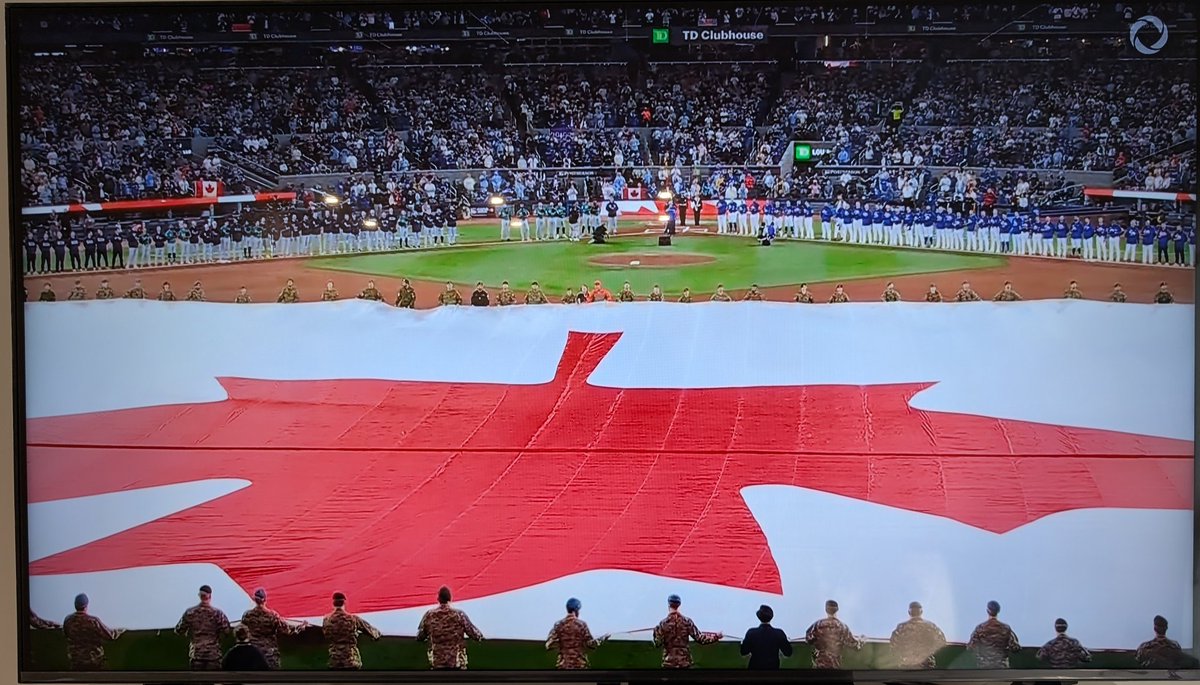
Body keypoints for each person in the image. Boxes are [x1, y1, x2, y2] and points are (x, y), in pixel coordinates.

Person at [417, 586, 484, 670]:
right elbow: (475, 635)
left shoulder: (429, 615)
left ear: (438, 599)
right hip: (456, 664)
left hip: (437, 664)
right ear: (450, 598)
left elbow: (420, 636)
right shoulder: (459, 615)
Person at [240, 587, 305, 669]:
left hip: (253, 653)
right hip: (269, 655)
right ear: (265, 600)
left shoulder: (247, 615)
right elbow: (287, 630)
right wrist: (301, 626)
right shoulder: (273, 615)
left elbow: (241, 631)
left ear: (254, 600)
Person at [652, 594, 722, 669]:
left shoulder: (663, 624)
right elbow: (700, 638)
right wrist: (716, 636)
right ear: (679, 605)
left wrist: (656, 632)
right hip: (684, 663)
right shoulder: (687, 621)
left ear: (669, 605)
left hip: (669, 664)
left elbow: (657, 643)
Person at [174, 584, 231, 670]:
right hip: (213, 655)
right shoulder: (218, 614)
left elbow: (179, 630)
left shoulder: (190, 612)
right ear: (210, 596)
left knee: (197, 678)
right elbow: (227, 631)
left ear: (199, 596)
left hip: (196, 655)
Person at [62, 593, 122, 670]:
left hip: (75, 662)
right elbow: (110, 636)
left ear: (75, 605)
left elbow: (65, 634)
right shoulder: (93, 621)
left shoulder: (68, 620)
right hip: (94, 662)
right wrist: (121, 630)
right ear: (86, 606)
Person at [322, 592, 381, 670]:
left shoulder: (326, 620)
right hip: (351, 660)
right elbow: (373, 632)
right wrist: (377, 635)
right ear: (344, 603)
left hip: (334, 660)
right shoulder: (353, 619)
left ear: (333, 604)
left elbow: (325, 634)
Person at [546, 597, 607, 670]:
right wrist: (601, 639)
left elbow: (549, 645)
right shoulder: (581, 625)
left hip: (563, 666)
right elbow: (590, 644)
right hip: (580, 665)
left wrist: (562, 646)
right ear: (577, 610)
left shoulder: (558, 625)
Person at [805, 599, 861, 669]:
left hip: (820, 666)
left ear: (826, 610)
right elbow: (854, 645)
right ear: (837, 610)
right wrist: (861, 640)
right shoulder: (842, 627)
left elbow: (808, 639)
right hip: (835, 667)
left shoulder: (817, 625)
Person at [889, 601, 946, 669]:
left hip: (907, 664)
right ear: (921, 612)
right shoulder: (930, 626)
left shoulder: (902, 627)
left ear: (909, 612)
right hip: (926, 664)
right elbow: (941, 641)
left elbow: (894, 645)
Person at [966, 600, 1020, 668]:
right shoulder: (1006, 628)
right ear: (998, 611)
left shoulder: (980, 628)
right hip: (1001, 667)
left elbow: (970, 647)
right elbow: (1015, 648)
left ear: (987, 611)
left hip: (984, 667)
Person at [740, 604, 792, 670]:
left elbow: (744, 652)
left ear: (759, 617)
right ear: (771, 616)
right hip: (773, 670)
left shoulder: (751, 633)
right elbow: (788, 653)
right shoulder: (779, 633)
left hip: (754, 670)